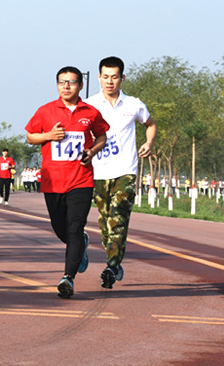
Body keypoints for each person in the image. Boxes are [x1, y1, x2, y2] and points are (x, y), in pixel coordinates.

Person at [25, 66, 109, 299]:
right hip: (52, 182)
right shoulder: (46, 111)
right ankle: (80, 244)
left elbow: (102, 135)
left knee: (74, 226)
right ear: (57, 85)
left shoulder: (90, 112)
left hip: (81, 180)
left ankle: (67, 278)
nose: (66, 86)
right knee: (61, 229)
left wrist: (91, 151)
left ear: (80, 85)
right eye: (62, 82)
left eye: (71, 82)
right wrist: (49, 136)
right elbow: (30, 136)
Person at [85, 56, 156, 289]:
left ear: (122, 78)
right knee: (105, 222)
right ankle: (113, 261)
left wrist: (148, 142)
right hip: (97, 172)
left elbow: (150, 124)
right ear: (98, 77)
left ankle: (112, 266)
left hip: (125, 171)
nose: (109, 81)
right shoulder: (89, 105)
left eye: (114, 77)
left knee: (118, 220)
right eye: (105, 77)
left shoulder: (134, 104)